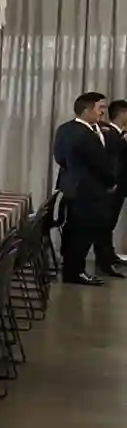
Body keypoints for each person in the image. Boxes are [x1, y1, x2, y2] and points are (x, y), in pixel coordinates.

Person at [53, 91, 121, 285]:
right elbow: (100, 164)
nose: (103, 113)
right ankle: (76, 272)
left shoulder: (65, 129)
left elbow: (59, 157)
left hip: (71, 187)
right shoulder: (85, 135)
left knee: (74, 230)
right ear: (86, 110)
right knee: (83, 233)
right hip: (88, 191)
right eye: (100, 108)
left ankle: (72, 269)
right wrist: (111, 182)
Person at [107, 99, 127, 266]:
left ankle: (108, 255)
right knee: (107, 222)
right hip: (114, 186)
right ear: (121, 114)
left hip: (119, 186)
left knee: (110, 223)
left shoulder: (118, 135)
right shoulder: (111, 135)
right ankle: (106, 259)